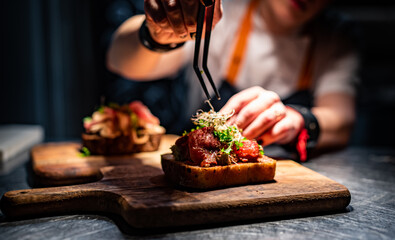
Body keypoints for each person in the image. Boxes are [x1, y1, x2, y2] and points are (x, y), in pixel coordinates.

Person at [106, 0, 358, 161]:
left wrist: (297, 120)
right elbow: (120, 60)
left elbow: (341, 120)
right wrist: (157, 33)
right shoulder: (221, 10)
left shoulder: (337, 36)